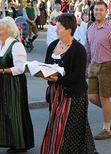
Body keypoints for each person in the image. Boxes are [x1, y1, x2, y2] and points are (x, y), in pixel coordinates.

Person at [40, 13, 98, 153]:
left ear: (69, 30)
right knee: (56, 123)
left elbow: (78, 76)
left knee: (68, 127)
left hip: (73, 94)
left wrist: (58, 79)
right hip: (56, 92)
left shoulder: (78, 49)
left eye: (59, 27)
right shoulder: (53, 45)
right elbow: (46, 65)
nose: (56, 30)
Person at [85, 1, 111, 140]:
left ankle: (106, 129)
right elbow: (87, 50)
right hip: (94, 66)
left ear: (106, 12)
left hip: (108, 66)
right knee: (92, 97)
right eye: (96, 9)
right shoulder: (90, 28)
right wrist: (85, 67)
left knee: (104, 98)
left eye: (101, 10)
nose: (98, 12)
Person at [0, 16, 34, 153]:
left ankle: (20, 144)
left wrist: (2, 70)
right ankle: (8, 140)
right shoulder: (1, 44)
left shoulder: (16, 45)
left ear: (8, 30)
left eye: (1, 29)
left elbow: (21, 68)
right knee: (4, 112)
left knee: (15, 112)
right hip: (3, 82)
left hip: (14, 83)